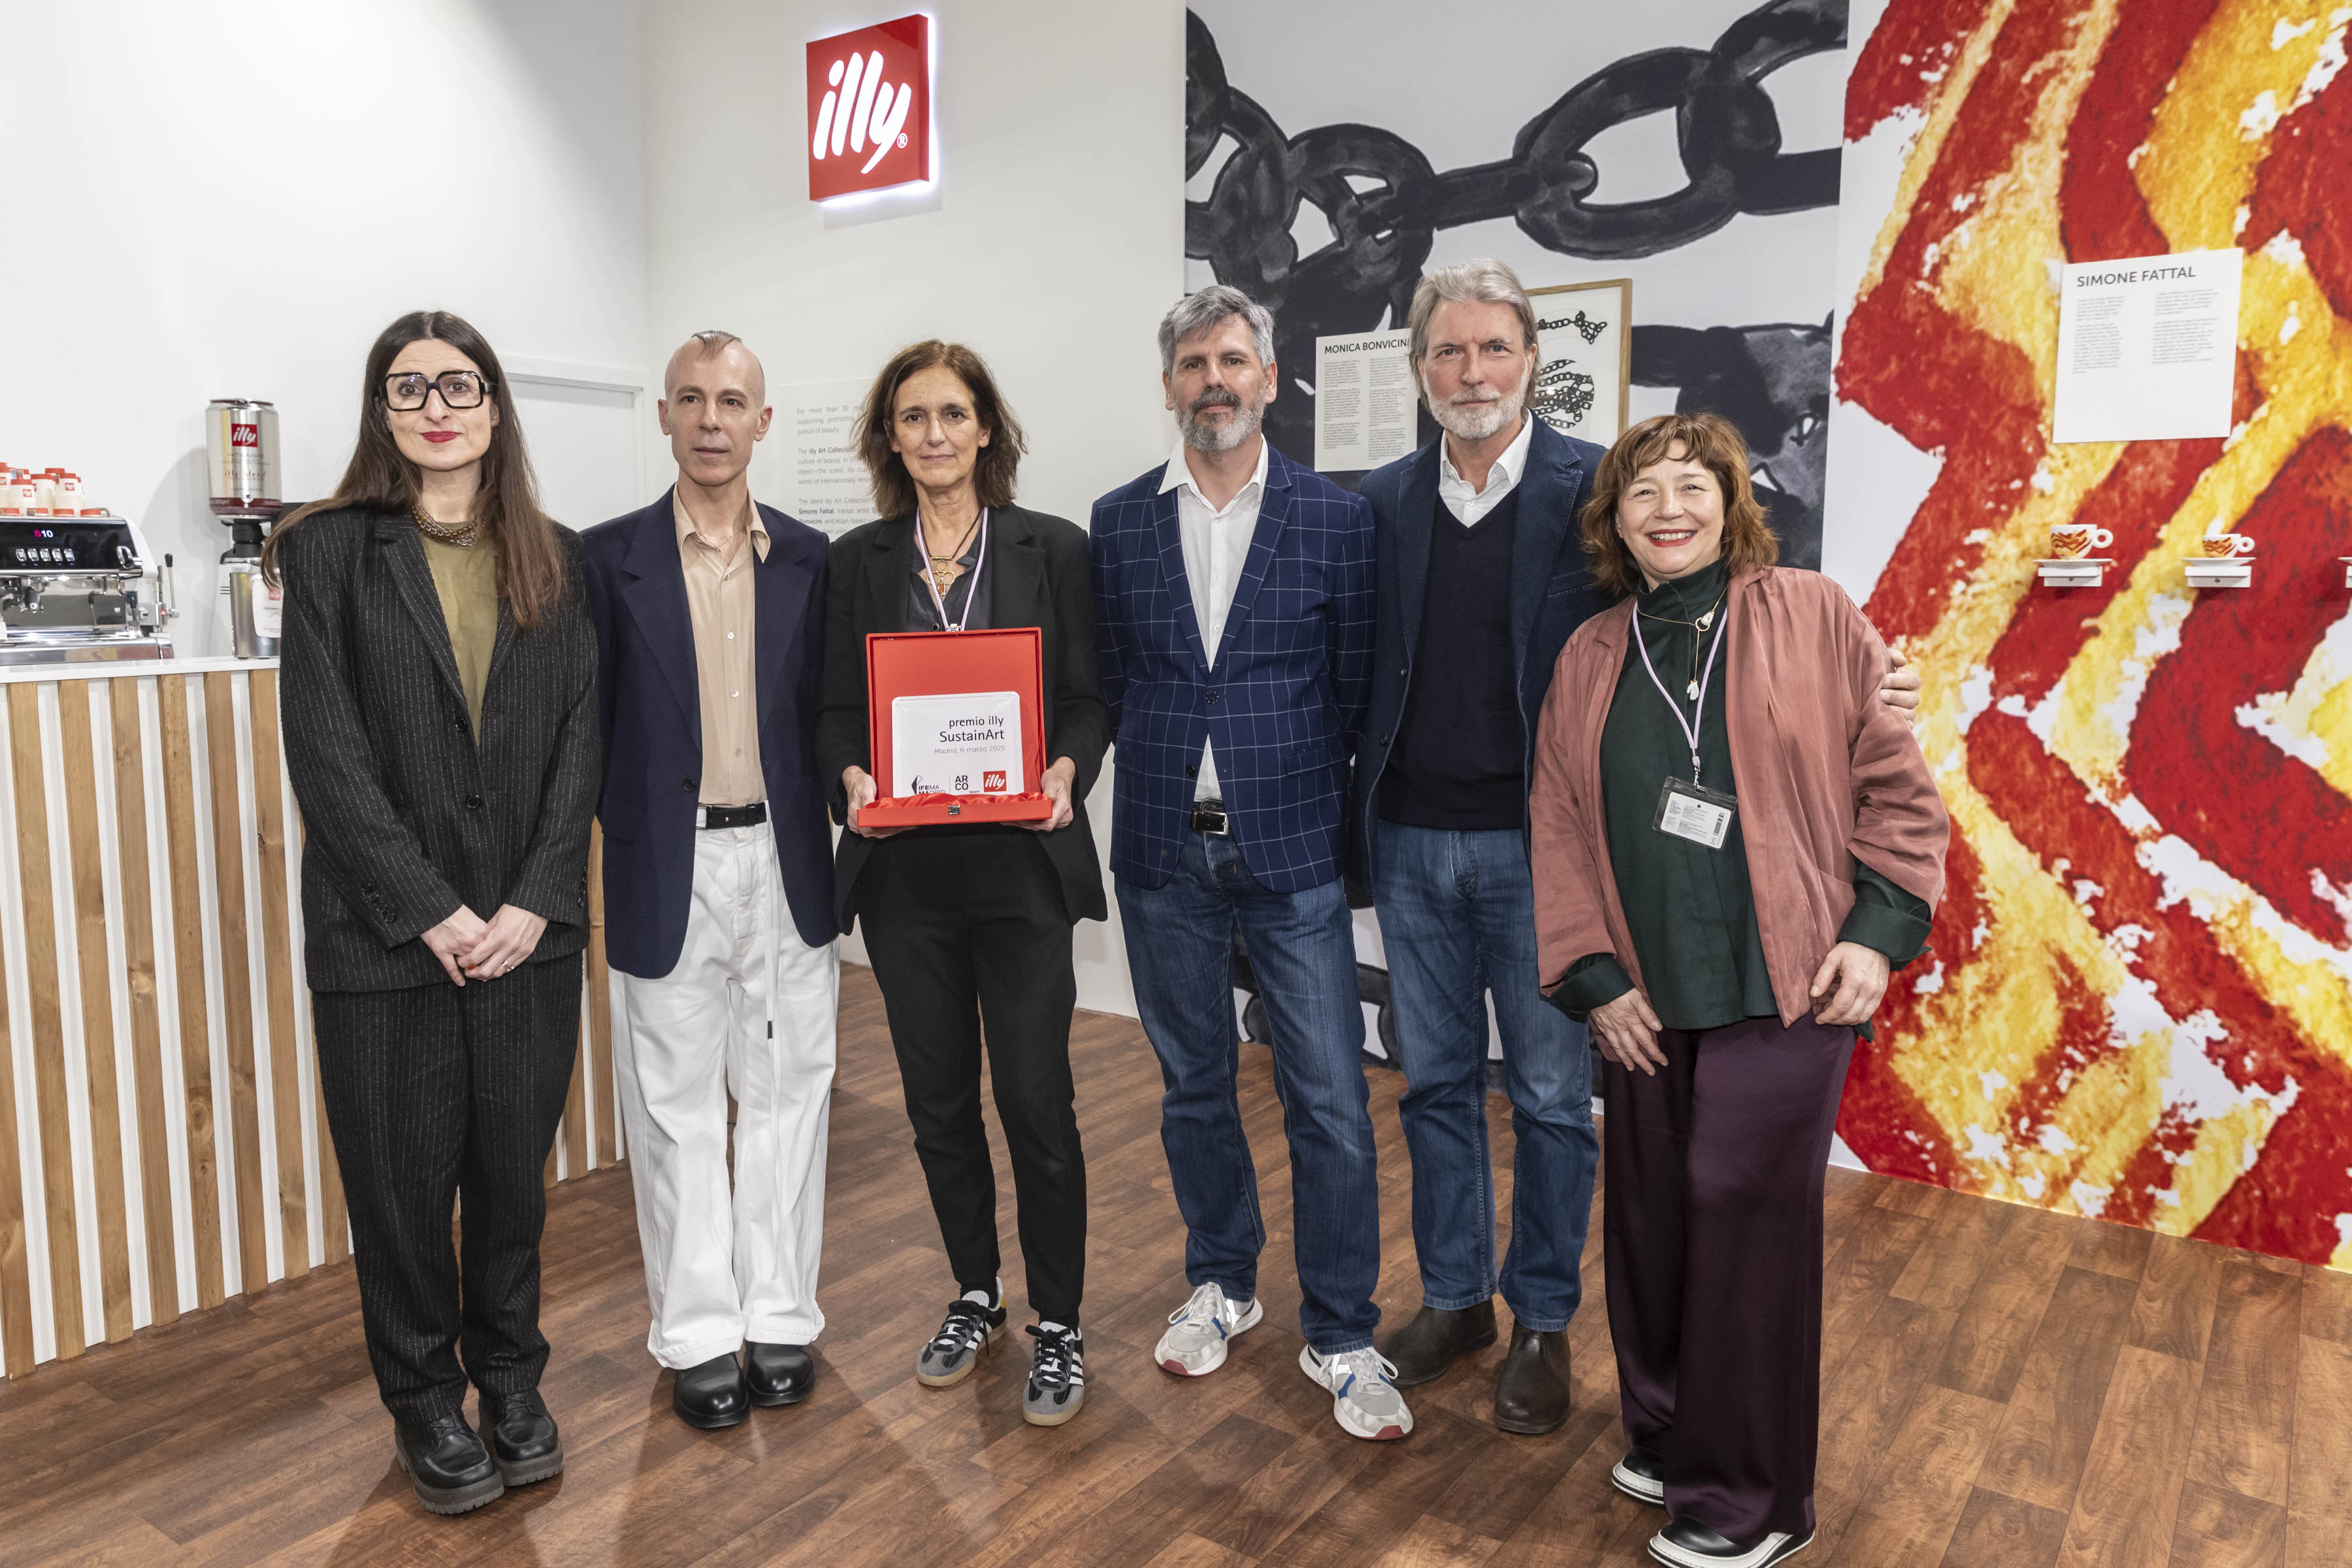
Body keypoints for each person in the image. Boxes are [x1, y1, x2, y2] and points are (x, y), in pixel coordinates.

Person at [1354, 262, 1922, 1436]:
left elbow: (1731, 599)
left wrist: (1881, 678)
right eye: (1448, 354)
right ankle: (1457, 1297)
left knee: (1559, 1098)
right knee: (1439, 1087)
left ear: (1530, 357)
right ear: (1421, 371)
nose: (1472, 373)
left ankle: (1545, 1324)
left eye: (1494, 349)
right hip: (1413, 839)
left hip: (1549, 850)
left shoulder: (1590, 486)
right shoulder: (1382, 500)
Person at [1529, 412, 1949, 1568]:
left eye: (1690, 487)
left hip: (1794, 979)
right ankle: (1668, 1431)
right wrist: (1595, 976)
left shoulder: (1814, 615)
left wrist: (1876, 933)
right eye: (1642, 494)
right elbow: (1559, 823)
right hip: (1646, 991)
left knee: (1741, 1217)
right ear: (1614, 522)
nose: (1668, 510)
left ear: (1731, 503)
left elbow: (1900, 794)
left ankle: (1754, 1498)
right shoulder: (1590, 656)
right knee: (1655, 1215)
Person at [270, 310, 598, 1516]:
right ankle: (425, 1403)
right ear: (382, 412)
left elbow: (581, 743)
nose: (437, 405)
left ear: (497, 406)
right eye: (409, 389)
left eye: (460, 384)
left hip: (528, 940)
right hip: (383, 946)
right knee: (401, 1193)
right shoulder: (323, 552)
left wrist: (532, 897)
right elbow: (329, 757)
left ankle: (512, 1381)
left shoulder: (556, 555)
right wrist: (430, 910)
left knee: (511, 1183)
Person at [1092, 286, 1404, 1441]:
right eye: (1191, 362)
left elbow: (1358, 686)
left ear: (1271, 378)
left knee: (1326, 1097)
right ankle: (1222, 1284)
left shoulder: (1336, 520)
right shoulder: (1119, 521)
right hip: (1166, 851)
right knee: (1191, 1086)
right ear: (1169, 383)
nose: (1213, 379)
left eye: (1233, 360)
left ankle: (1343, 1330)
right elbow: (1118, 679)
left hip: (1292, 853)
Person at [818, 340, 1108, 1428]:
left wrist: (1068, 769)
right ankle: (977, 1293)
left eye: (953, 414)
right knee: (938, 1106)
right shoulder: (857, 561)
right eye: (912, 418)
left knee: (1036, 1099)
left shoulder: (1055, 549)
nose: (934, 435)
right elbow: (835, 709)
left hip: (1021, 870)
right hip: (905, 882)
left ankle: (1062, 1321)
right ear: (889, 437)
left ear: (987, 426)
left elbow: (1086, 696)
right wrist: (848, 775)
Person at [581, 332, 838, 1431]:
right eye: (691, 399)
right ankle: (695, 1330)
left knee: (789, 1093)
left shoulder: (815, 560)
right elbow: (585, 726)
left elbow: (833, 716)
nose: (712, 420)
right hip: (665, 860)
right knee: (677, 1107)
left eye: (734, 400)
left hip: (784, 855)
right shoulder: (604, 559)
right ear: (664, 417)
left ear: (764, 422)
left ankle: (780, 1313)